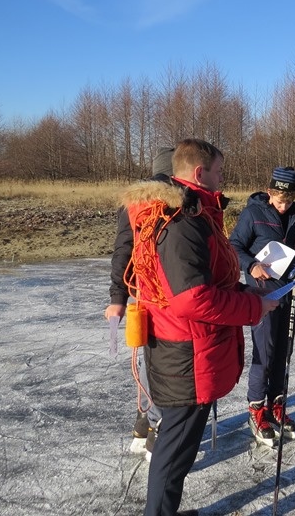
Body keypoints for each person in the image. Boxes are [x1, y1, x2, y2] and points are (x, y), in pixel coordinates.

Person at [122, 138, 278, 516]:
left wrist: (244, 290)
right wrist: (254, 306)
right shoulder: (181, 223)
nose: (223, 178)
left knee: (178, 449)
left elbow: (208, 280)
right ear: (199, 172)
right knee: (174, 452)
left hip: (188, 349)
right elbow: (192, 298)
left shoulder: (194, 214)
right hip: (186, 357)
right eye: (219, 171)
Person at [229, 167, 295, 446]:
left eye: (288, 201)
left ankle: (276, 403)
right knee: (264, 352)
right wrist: (251, 265)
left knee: (283, 351)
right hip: (261, 293)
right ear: (269, 193)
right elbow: (234, 246)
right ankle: (256, 408)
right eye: (279, 200)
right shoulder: (253, 213)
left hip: (289, 291)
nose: (284, 205)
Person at [105, 146, 174, 461]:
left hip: (144, 293)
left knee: (148, 356)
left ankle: (143, 422)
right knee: (163, 360)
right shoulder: (175, 201)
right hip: (168, 295)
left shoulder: (134, 201)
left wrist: (118, 297)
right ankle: (156, 427)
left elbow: (123, 249)